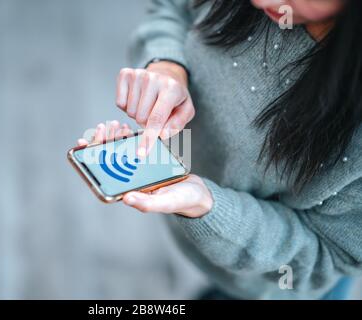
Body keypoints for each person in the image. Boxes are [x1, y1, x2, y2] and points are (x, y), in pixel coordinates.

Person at [76, 0, 362, 299]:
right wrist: (167, 65)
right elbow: (172, 7)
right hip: (205, 253)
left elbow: (326, 255)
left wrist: (208, 205)